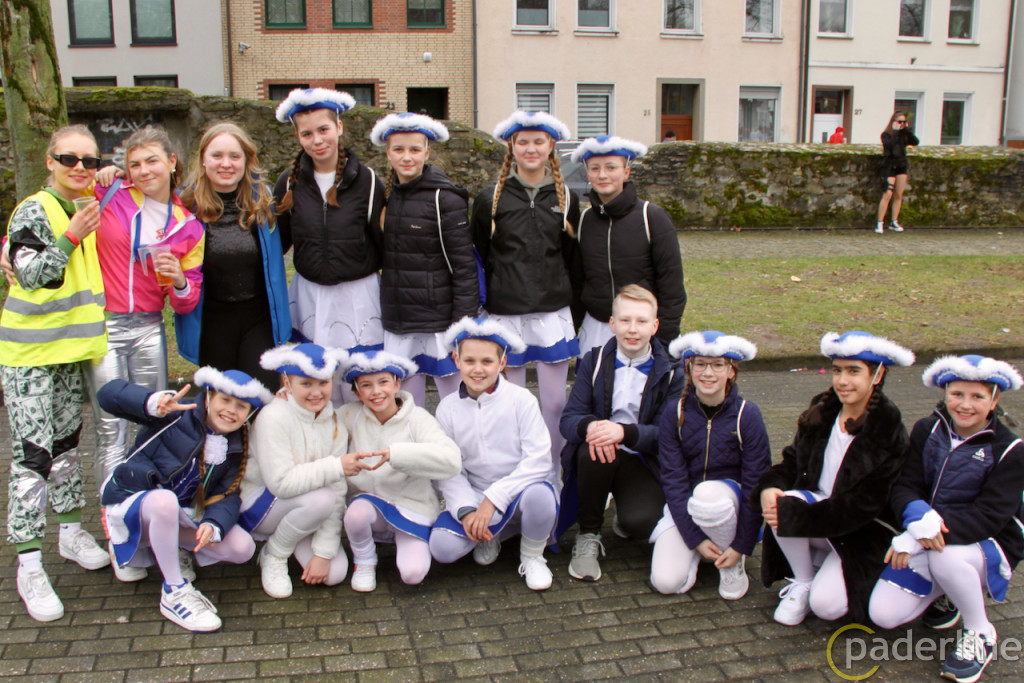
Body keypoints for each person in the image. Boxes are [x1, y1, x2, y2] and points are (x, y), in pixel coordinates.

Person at [0, 124, 110, 622]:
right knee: (33, 456)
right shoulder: (35, 209)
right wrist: (70, 238)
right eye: (70, 159)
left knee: (67, 446)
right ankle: (28, 563)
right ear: (50, 162)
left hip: (70, 351)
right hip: (30, 356)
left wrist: (108, 175)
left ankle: (69, 533)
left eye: (90, 160)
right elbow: (29, 274)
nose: (80, 168)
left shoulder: (84, 204)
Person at [86, 126, 205, 558]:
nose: (143, 171)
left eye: (152, 160)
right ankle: (116, 529)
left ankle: (157, 520)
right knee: (110, 428)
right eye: (134, 164)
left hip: (150, 327)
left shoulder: (187, 224)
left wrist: (178, 280)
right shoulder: (109, 194)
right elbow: (57, 211)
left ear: (172, 162)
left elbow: (188, 299)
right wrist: (10, 246)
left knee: (157, 422)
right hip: (103, 325)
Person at [869, 355, 1024, 683]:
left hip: (987, 544)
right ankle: (950, 593)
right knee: (883, 615)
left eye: (977, 396)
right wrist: (916, 517)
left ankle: (981, 632)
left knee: (946, 558)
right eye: (957, 394)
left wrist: (918, 536)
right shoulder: (927, 430)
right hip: (933, 536)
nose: (965, 405)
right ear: (945, 393)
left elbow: (989, 516)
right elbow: (906, 484)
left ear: (994, 399)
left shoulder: (1011, 449)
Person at [752, 331, 914, 626]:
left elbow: (865, 504)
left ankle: (825, 565)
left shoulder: (887, 428)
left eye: (854, 371)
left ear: (877, 376)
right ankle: (803, 578)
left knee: (826, 607)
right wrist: (770, 486)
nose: (842, 380)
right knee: (783, 500)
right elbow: (792, 462)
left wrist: (799, 517)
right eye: (837, 370)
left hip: (858, 530)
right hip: (816, 517)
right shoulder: (823, 410)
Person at [99, 367, 270, 632]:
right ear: (209, 396)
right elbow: (107, 395)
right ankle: (174, 591)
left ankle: (170, 548)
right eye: (225, 400)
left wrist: (214, 524)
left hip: (178, 514)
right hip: (133, 502)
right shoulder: (175, 414)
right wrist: (153, 402)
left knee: (242, 548)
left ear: (249, 413)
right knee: (164, 501)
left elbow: (228, 494)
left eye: (241, 406)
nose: (231, 410)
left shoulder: (235, 444)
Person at [473, 110, 581, 466]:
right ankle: (516, 472)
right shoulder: (489, 198)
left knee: (555, 403)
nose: (531, 149)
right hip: (506, 314)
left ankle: (554, 471)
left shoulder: (567, 198)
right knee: (512, 403)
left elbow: (571, 257)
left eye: (539, 141)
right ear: (512, 146)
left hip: (551, 313)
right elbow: (480, 254)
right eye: (523, 142)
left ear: (551, 146)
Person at [556, 285, 684, 582]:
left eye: (641, 321)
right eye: (625, 320)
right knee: (594, 449)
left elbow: (667, 435)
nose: (632, 329)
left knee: (644, 524)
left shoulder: (673, 372)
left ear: (655, 326)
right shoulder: (593, 360)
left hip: (642, 457)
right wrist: (593, 427)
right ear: (612, 324)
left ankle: (626, 513)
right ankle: (588, 534)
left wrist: (623, 433)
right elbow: (569, 420)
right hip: (600, 453)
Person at [273, 88, 386, 404]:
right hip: (311, 297)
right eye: (307, 134)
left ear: (339, 127)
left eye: (324, 129)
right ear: (297, 136)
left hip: (358, 298)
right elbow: (277, 243)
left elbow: (384, 245)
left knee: (359, 381)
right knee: (317, 381)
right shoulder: (289, 182)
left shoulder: (368, 181)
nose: (317, 140)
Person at [429, 318, 560, 591]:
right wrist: (467, 511)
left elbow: (539, 460)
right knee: (442, 548)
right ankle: (491, 533)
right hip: (476, 495)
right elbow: (449, 469)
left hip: (519, 492)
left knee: (541, 496)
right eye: (469, 361)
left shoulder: (521, 400)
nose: (478, 369)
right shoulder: (447, 409)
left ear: (502, 363)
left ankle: (532, 555)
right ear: (456, 360)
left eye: (487, 361)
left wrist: (493, 499)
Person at [649, 330, 770, 600]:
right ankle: (700, 551)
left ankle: (730, 560)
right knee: (665, 582)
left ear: (731, 371)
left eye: (717, 365)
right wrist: (695, 539)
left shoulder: (747, 415)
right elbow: (673, 481)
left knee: (707, 494)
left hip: (727, 504)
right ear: (689, 368)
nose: (708, 373)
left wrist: (742, 545)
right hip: (687, 508)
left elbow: (756, 485)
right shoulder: (674, 413)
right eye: (700, 364)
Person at [371, 112, 477, 407]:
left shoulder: (445, 198)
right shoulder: (386, 197)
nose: (407, 157)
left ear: (427, 152)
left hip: (439, 322)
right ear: (388, 152)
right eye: (398, 149)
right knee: (407, 406)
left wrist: (461, 327)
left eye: (415, 149)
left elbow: (464, 267)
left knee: (455, 404)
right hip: (400, 321)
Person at [177, 122, 291, 390]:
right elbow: (146, 183)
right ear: (203, 159)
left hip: (258, 320)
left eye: (234, 156)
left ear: (246, 160)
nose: (226, 164)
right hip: (212, 321)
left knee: (262, 398)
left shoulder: (263, 202)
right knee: (222, 402)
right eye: (217, 155)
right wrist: (115, 175)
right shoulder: (185, 205)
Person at [338, 350, 462, 592]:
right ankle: (364, 560)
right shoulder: (348, 415)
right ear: (356, 392)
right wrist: (286, 399)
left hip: (412, 509)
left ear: (397, 384)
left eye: (383, 382)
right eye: (366, 385)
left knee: (413, 574)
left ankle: (405, 539)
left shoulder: (417, 418)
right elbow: (316, 421)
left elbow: (451, 461)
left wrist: (397, 455)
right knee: (356, 513)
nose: (376, 391)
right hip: (370, 510)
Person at [241, 343, 351, 599]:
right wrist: (334, 467)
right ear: (287, 383)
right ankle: (274, 554)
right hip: (260, 504)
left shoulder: (335, 422)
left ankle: (290, 537)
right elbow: (280, 484)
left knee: (334, 573)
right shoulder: (273, 416)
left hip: (306, 506)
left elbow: (337, 489)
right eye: (306, 384)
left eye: (323, 383)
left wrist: (324, 552)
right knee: (322, 498)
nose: (316, 392)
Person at [570, 135, 686, 351]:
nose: (602, 175)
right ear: (587, 174)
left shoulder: (652, 217)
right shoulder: (584, 220)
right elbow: (578, 282)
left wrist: (663, 338)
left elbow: (672, 285)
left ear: (626, 172)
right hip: (596, 328)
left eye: (611, 167)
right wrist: (571, 330)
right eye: (595, 168)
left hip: (641, 330)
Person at [876, 111, 919, 234]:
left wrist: (907, 131)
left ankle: (894, 221)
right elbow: (889, 146)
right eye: (899, 121)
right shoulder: (886, 134)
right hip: (889, 166)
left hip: (901, 165)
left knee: (898, 194)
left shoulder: (904, 135)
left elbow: (915, 142)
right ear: (893, 121)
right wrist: (895, 132)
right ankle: (880, 222)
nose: (901, 124)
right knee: (887, 194)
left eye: (904, 122)